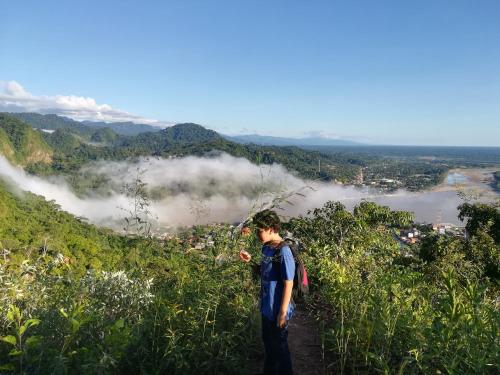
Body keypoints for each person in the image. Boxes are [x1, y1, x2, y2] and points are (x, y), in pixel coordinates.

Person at [240, 209, 295, 375]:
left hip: (278, 309)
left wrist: (283, 312)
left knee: (280, 349)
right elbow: (263, 272)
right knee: (269, 346)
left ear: (271, 229)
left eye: (260, 230)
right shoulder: (266, 248)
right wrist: (250, 262)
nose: (257, 233)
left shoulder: (283, 251)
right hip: (266, 308)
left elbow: (288, 283)